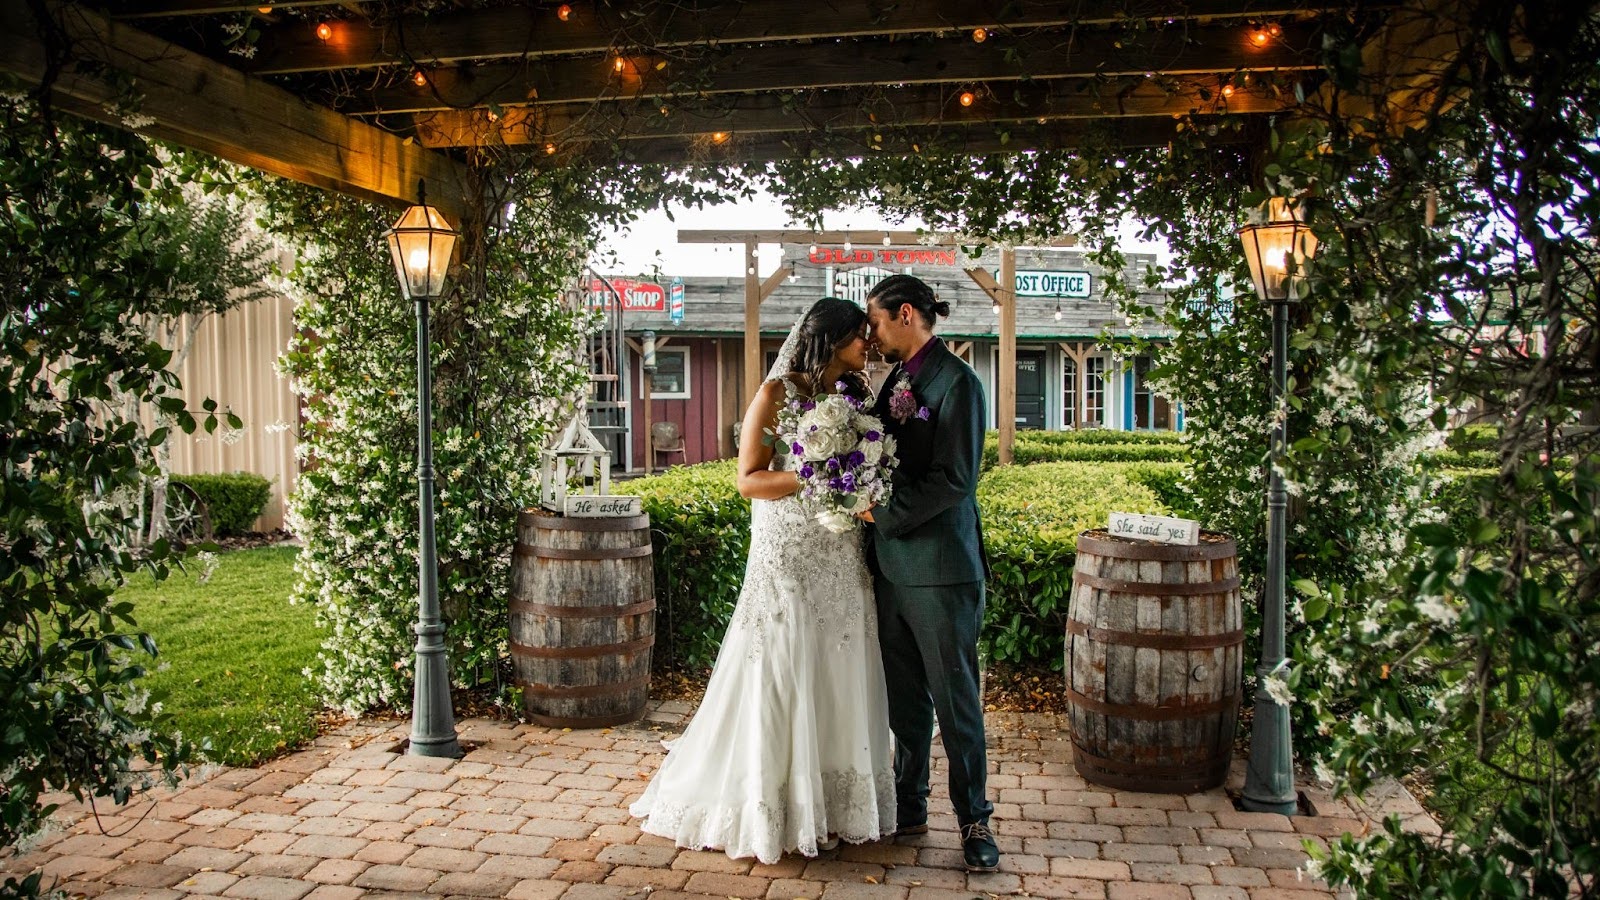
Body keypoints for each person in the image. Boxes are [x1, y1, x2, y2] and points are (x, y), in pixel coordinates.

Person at [630, 296, 896, 864]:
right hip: (788, 546)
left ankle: (832, 798)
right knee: (783, 661)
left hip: (839, 545)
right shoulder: (776, 394)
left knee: (838, 657)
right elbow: (748, 480)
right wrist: (816, 475)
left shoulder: (853, 396)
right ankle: (773, 800)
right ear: (830, 339)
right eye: (858, 337)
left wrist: (859, 481)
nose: (866, 346)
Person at [859, 273, 1000, 873]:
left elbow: (956, 479)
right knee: (905, 702)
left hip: (940, 569)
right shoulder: (895, 379)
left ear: (906, 314)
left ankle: (973, 820)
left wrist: (880, 510)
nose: (873, 334)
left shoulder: (958, 384)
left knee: (956, 702)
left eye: (877, 322)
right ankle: (909, 805)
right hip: (889, 568)